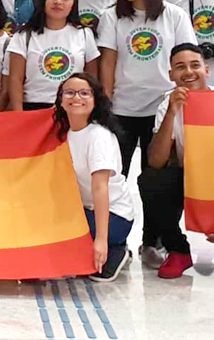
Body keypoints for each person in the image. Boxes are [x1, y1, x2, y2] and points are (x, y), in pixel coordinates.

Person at [97, 0, 196, 268]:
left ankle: (152, 241)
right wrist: (106, 103)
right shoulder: (112, 17)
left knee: (155, 180)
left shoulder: (174, 16)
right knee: (115, 178)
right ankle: (113, 241)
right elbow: (108, 62)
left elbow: (185, 58)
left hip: (164, 111)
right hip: (123, 110)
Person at [145, 43, 214, 278]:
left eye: (195, 65)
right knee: (151, 180)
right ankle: (178, 250)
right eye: (180, 67)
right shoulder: (168, 104)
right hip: (192, 177)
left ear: (207, 70)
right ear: (171, 75)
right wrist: (172, 112)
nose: (188, 72)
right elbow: (156, 160)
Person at [53, 73, 134, 282]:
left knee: (59, 240)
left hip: (114, 215)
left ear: (95, 100)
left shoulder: (99, 136)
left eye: (84, 93)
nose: (76, 98)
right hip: (83, 211)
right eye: (69, 93)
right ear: (61, 100)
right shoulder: (64, 133)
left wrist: (101, 240)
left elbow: (100, 188)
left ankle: (115, 248)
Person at [8, 0, 100, 111]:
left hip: (73, 107)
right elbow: (15, 79)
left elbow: (92, 77)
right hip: (34, 107)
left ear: (73, 4)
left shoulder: (84, 34)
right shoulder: (24, 35)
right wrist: (19, 115)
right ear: (43, 1)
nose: (58, 1)